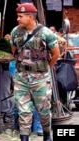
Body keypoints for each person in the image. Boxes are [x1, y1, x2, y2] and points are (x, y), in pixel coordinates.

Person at [10, 3, 60, 141]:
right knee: (23, 111)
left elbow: (56, 53)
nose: (17, 19)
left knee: (43, 111)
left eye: (20, 16)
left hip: (40, 78)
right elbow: (13, 50)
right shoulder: (16, 32)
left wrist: (45, 68)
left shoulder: (46, 33)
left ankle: (47, 135)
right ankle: (24, 138)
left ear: (30, 17)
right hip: (21, 77)